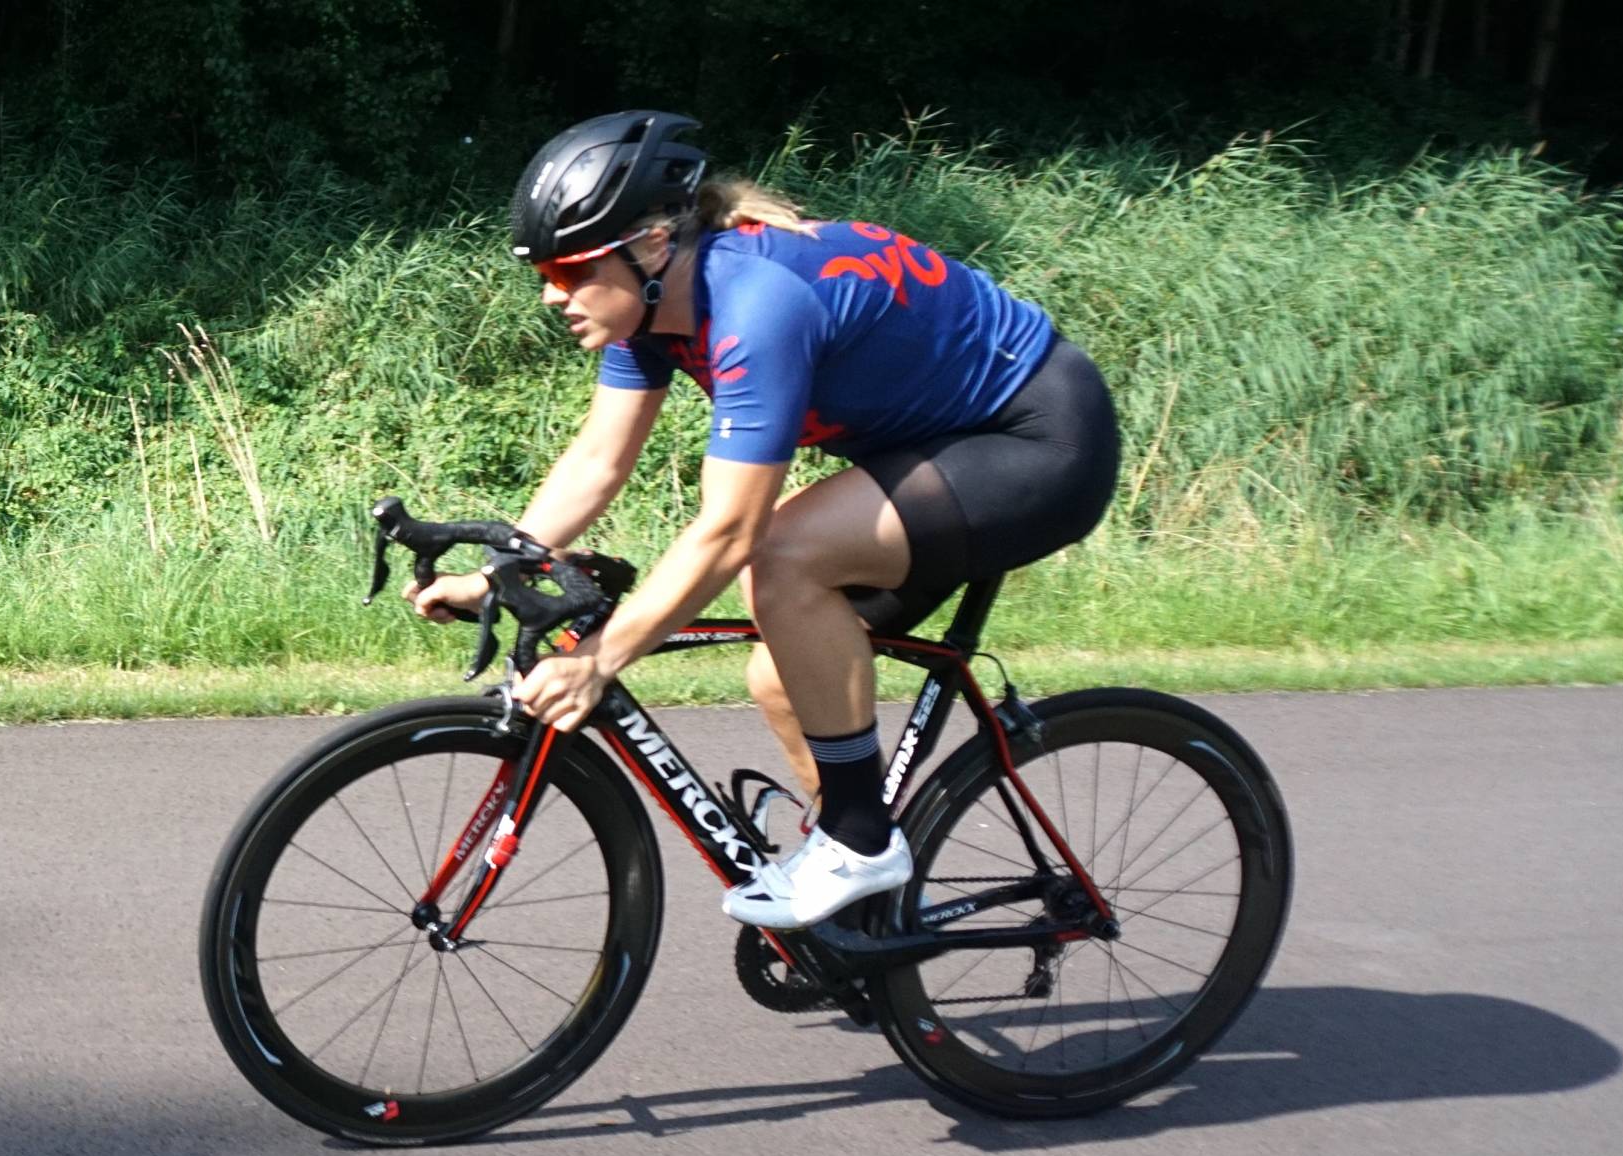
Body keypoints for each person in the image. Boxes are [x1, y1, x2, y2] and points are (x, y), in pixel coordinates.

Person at [407, 110, 1119, 930]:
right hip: (941, 449)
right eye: (545, 273)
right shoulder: (650, 310)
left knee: (782, 555)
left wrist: (601, 658)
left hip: (1037, 440)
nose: (551, 295)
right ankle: (867, 908)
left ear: (648, 245)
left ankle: (858, 843)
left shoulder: (756, 304)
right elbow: (599, 463)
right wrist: (504, 570)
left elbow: (730, 530)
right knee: (785, 671)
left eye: (568, 272)